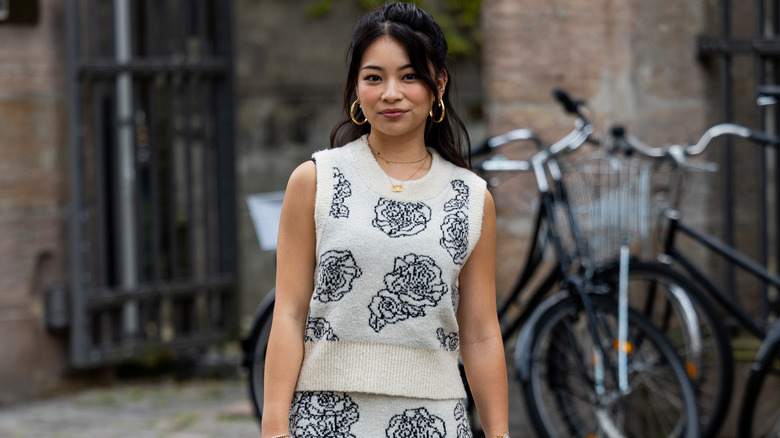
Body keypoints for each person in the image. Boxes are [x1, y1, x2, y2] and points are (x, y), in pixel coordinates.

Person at [261, 2, 509, 437]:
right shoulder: (316, 181)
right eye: (374, 77)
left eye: (409, 76)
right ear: (356, 87)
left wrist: (499, 433)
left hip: (436, 420)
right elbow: (289, 313)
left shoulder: (470, 198)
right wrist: (274, 424)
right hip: (323, 420)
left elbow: (482, 333)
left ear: (439, 84)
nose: (391, 92)